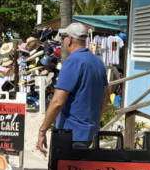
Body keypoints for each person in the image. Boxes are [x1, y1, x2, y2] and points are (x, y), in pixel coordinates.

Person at [37, 22, 107, 154]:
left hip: (71, 133)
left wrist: (43, 130)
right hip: (90, 132)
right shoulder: (98, 62)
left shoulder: (72, 61)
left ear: (69, 40)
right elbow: (106, 97)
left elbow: (57, 102)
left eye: (63, 37)